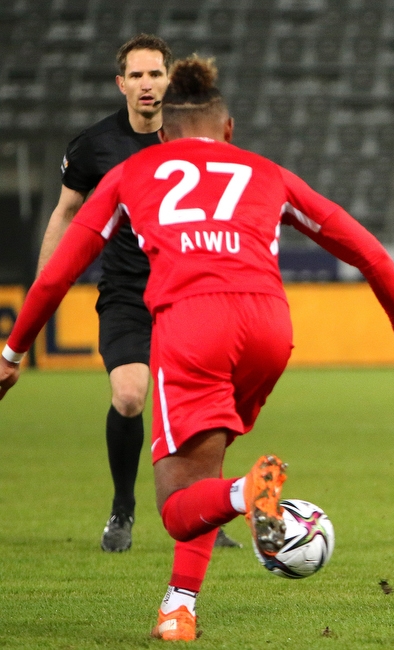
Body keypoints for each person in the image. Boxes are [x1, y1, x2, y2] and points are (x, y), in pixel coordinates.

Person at [1, 56, 394, 641]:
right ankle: (179, 607)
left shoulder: (133, 173)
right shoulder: (267, 173)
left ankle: (247, 493)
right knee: (203, 476)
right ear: (228, 129)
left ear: (166, 131)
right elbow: (370, 253)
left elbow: (58, 274)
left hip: (193, 326)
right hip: (268, 328)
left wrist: (12, 352)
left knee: (178, 502)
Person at [36, 33, 239, 551]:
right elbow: (66, 212)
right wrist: (45, 287)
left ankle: (205, 514)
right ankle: (122, 509)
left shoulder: (193, 140)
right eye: (138, 75)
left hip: (188, 295)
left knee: (200, 410)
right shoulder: (94, 145)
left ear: (169, 80)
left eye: (156, 74)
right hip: (127, 294)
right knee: (129, 397)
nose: (148, 84)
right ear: (121, 83)